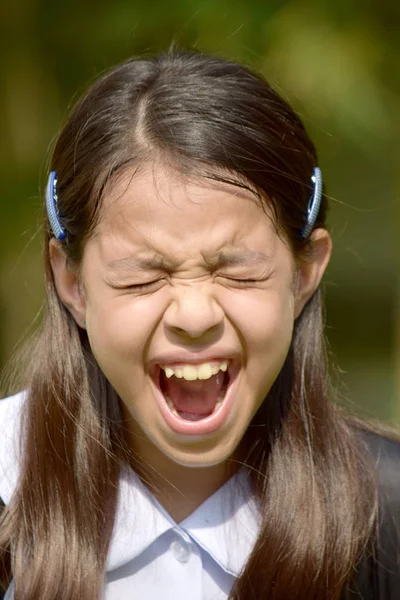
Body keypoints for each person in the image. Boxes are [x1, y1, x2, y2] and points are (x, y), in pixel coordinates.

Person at [0, 49, 399, 600]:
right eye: (143, 277)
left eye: (237, 271)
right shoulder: (7, 486)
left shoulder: (385, 513)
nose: (193, 316)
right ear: (72, 284)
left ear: (304, 271)